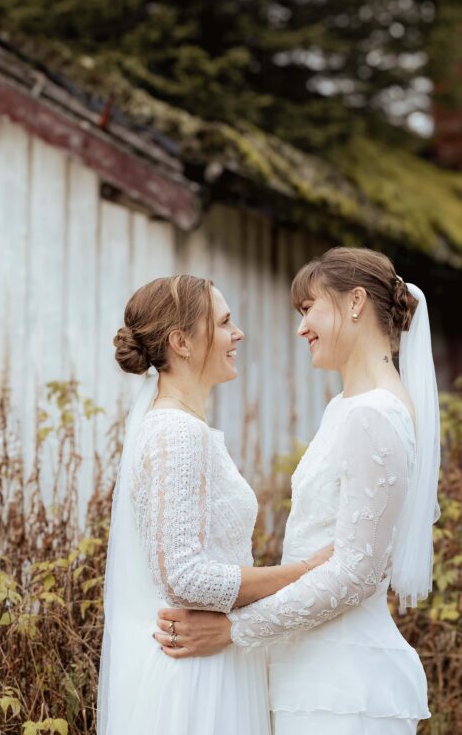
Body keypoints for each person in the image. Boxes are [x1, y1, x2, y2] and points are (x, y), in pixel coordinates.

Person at [154, 248, 439, 735]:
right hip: (308, 674)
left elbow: (357, 572)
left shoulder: (375, 413)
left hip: (344, 687)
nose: (301, 327)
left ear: (354, 303)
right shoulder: (345, 408)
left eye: (309, 309)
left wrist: (233, 629)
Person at [98, 274, 333, 735]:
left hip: (213, 660)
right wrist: (305, 572)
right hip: (195, 680)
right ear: (181, 341)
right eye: (225, 323)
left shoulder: (179, 426)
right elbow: (184, 577)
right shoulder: (177, 433)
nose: (237, 333)